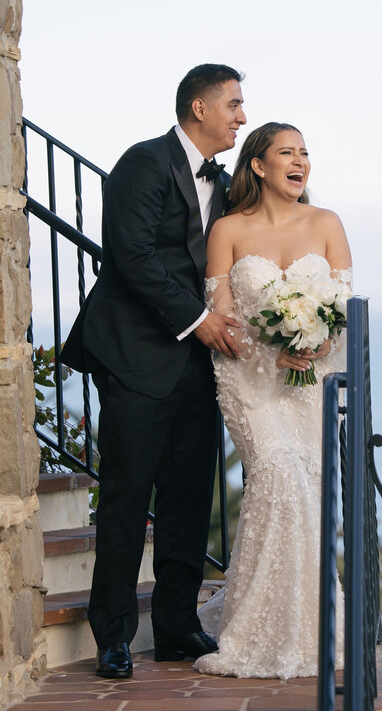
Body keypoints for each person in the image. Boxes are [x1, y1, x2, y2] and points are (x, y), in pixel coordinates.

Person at [58, 64, 247, 679]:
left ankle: (174, 628)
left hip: (199, 366)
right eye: (234, 105)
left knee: (190, 499)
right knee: (124, 497)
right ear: (199, 107)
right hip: (137, 358)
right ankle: (112, 635)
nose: (241, 117)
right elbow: (131, 255)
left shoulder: (227, 183)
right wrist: (199, 320)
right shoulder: (142, 162)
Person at [194, 122, 352, 679]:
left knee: (307, 497)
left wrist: (317, 340)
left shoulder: (326, 223)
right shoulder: (228, 231)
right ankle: (254, 631)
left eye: (305, 152)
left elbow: (345, 310)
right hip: (252, 385)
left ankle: (312, 626)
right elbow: (223, 322)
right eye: (287, 152)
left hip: (311, 388)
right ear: (258, 165)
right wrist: (270, 353)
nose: (300, 161)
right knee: (278, 485)